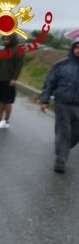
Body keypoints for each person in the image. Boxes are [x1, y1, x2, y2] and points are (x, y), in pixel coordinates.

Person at [39, 37, 79, 173]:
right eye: (77, 47)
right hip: (62, 104)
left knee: (75, 134)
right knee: (64, 131)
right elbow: (49, 83)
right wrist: (45, 100)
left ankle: (63, 147)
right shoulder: (61, 65)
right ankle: (60, 159)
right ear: (72, 48)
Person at [0, 35, 23, 129]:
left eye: (7, 39)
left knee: (7, 101)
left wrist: (14, 79)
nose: (4, 41)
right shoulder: (4, 50)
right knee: (0, 99)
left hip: (9, 79)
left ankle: (6, 121)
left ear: (12, 39)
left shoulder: (17, 50)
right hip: (0, 78)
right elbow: (2, 63)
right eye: (3, 39)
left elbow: (18, 66)